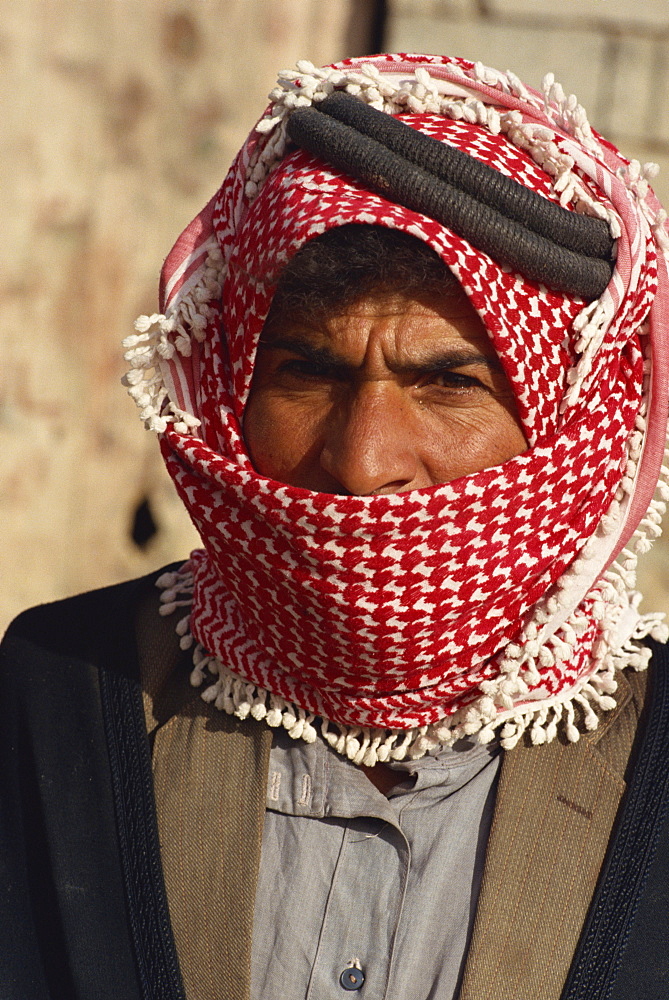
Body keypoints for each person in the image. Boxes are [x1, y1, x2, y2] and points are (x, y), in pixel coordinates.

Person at [2, 52, 669, 1000]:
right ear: (231, 392)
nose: (364, 462)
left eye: (447, 383)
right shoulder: (66, 691)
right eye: (307, 371)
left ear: (569, 428)